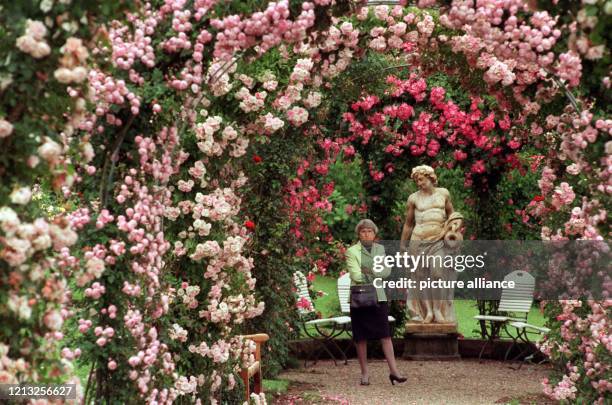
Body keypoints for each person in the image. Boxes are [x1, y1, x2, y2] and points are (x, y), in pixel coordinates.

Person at [345, 219, 407, 386]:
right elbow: (355, 275)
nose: (367, 234)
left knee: (385, 335)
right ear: (359, 234)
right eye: (363, 231)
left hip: (379, 296)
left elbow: (386, 271)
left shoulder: (380, 249)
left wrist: (368, 270)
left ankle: (394, 372)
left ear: (374, 234)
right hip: (359, 297)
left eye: (370, 231)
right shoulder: (352, 251)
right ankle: (365, 374)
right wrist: (375, 271)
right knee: (361, 337)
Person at [400, 165, 464, 324]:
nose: (418, 183)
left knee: (437, 275)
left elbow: (453, 216)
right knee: (420, 279)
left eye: (421, 179)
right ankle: (427, 312)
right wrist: (402, 245)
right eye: (416, 180)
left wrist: (455, 226)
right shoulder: (413, 198)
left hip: (438, 240)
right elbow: (408, 224)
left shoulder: (444, 194)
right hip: (418, 241)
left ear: (430, 177)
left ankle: (437, 310)